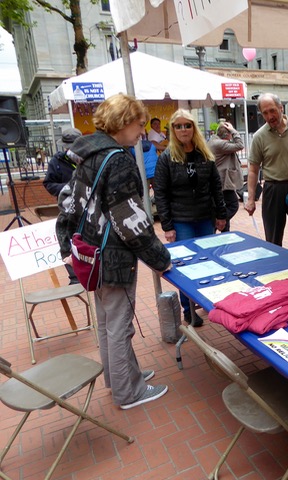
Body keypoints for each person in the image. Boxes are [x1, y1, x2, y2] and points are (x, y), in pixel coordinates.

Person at [56, 93, 171, 409]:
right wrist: (160, 259)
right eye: (139, 123)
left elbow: (68, 203)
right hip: (114, 258)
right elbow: (130, 221)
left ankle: (121, 377)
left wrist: (67, 244)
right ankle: (128, 392)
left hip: (91, 255)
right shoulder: (118, 159)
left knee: (108, 322)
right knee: (120, 325)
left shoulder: (89, 155)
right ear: (123, 122)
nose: (142, 131)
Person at [154, 109, 227, 326]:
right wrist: (167, 226)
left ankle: (207, 303)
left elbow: (216, 187)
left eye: (187, 125)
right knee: (185, 266)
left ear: (194, 128)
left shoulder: (204, 154)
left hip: (205, 217)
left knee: (209, 262)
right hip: (181, 220)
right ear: (173, 130)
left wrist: (221, 215)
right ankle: (189, 310)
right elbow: (161, 193)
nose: (183, 129)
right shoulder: (167, 158)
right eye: (178, 126)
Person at [245, 93, 288, 253]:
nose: (270, 116)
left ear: (281, 108)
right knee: (273, 240)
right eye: (265, 113)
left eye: (272, 110)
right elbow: (253, 170)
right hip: (273, 190)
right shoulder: (259, 136)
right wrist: (250, 199)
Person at [44, 127, 83, 285]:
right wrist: (68, 188)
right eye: (68, 145)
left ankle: (90, 272)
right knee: (67, 241)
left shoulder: (89, 159)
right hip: (68, 209)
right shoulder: (56, 161)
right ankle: (74, 277)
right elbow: (48, 183)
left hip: (88, 207)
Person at [207, 121, 244, 231]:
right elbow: (240, 145)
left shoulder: (213, 141)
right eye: (230, 135)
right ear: (226, 136)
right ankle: (217, 221)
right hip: (222, 182)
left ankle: (222, 225)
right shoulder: (219, 144)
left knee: (222, 207)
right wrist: (233, 130)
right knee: (233, 205)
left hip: (219, 181)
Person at [44, 127, 82, 197]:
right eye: (68, 148)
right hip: (66, 202)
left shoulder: (89, 158)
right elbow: (49, 184)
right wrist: (69, 187)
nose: (71, 150)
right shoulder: (56, 161)